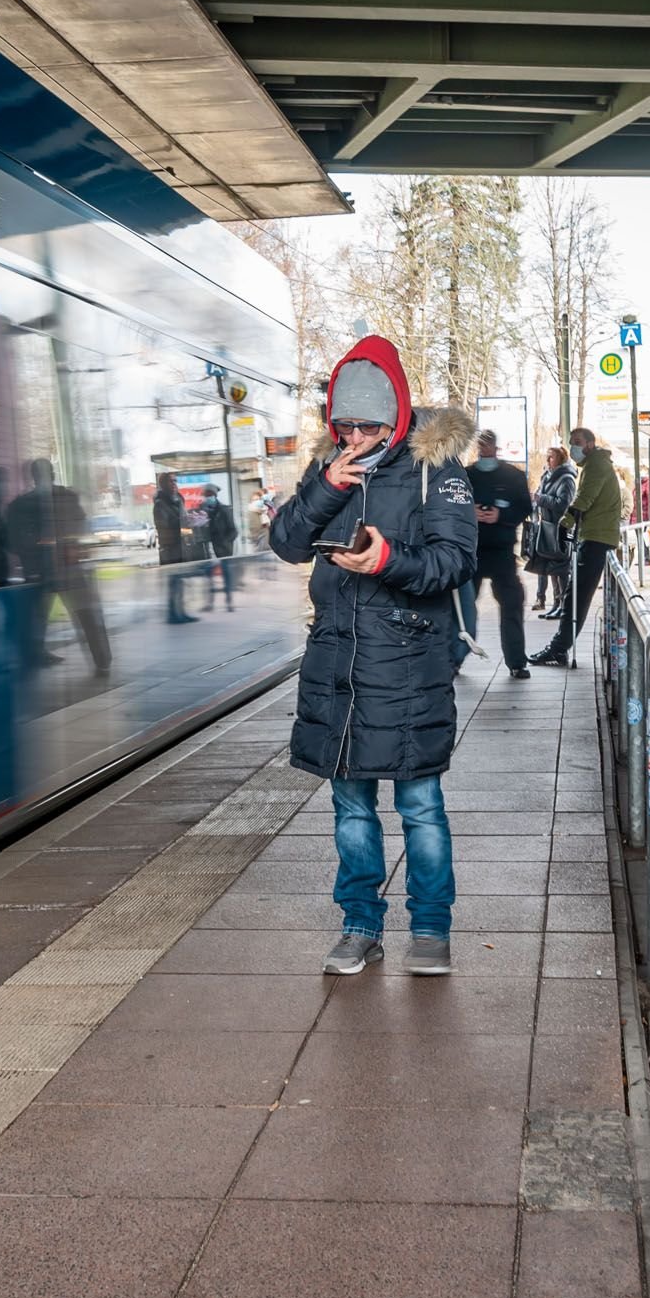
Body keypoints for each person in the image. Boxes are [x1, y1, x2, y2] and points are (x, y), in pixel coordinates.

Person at [268, 333, 476, 977]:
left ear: (397, 414)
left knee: (419, 806)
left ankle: (432, 929)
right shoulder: (327, 467)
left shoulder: (434, 470)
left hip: (408, 664)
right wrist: (326, 488)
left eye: (368, 424)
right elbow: (286, 543)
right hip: (337, 664)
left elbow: (454, 562)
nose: (354, 436)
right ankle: (360, 926)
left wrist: (387, 560)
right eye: (344, 424)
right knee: (351, 806)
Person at [7, 457, 111, 675]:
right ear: (52, 474)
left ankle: (31, 659)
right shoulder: (66, 497)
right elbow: (81, 526)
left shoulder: (21, 504)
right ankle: (101, 659)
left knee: (37, 618)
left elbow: (13, 542)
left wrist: (32, 553)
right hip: (67, 567)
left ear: (33, 477)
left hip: (40, 571)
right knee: (85, 616)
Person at [532, 426, 622, 668]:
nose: (573, 447)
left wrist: (565, 523)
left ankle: (558, 649)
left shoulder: (596, 466)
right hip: (594, 535)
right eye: (571, 442)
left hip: (596, 538)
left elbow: (584, 498)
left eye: (577, 442)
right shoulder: (594, 464)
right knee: (576, 595)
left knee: (576, 596)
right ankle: (560, 647)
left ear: (590, 444)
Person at [465, 428, 534, 679]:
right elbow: (449, 504)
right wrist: (469, 512)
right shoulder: (466, 475)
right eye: (481, 445)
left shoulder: (513, 476)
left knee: (512, 604)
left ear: (496, 447)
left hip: (502, 551)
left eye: (489, 445)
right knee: (463, 607)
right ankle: (454, 657)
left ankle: (517, 661)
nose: (485, 449)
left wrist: (501, 516)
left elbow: (525, 506)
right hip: (471, 551)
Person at [529, 442, 577, 620]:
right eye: (547, 456)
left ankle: (564, 605)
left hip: (559, 528)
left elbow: (563, 504)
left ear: (561, 459)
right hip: (547, 527)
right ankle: (557, 604)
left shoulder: (566, 479)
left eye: (551, 456)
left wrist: (541, 499)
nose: (548, 460)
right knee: (552, 569)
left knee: (561, 569)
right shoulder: (546, 476)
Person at [153, 471, 195, 624]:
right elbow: (164, 526)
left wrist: (190, 523)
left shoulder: (178, 500)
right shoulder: (160, 504)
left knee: (181, 583)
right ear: (163, 484)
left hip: (182, 547)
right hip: (170, 549)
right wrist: (183, 521)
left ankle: (181, 611)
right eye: (171, 481)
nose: (174, 484)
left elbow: (184, 525)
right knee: (173, 584)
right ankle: (173, 614)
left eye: (175, 481)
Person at [202, 482, 241, 609]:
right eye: (206, 495)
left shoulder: (224, 510)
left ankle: (229, 601)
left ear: (215, 495)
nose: (208, 497)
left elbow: (234, 531)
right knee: (208, 578)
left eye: (211, 494)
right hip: (208, 550)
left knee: (226, 576)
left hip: (224, 551)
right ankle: (209, 603)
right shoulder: (202, 510)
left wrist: (225, 542)